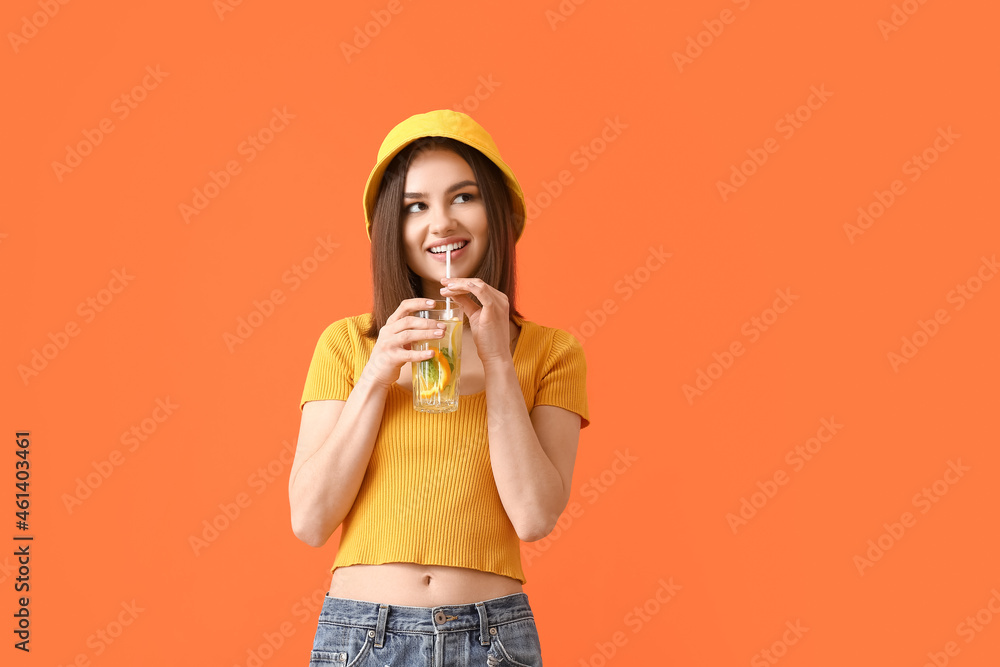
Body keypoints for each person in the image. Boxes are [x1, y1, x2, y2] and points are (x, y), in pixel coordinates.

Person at [289, 109, 591, 666]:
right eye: (415, 206)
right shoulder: (347, 344)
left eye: (464, 197)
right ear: (390, 228)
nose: (441, 222)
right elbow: (309, 521)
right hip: (363, 639)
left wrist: (498, 359)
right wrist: (377, 375)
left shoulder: (551, 352)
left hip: (492, 638)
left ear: (495, 212)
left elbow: (533, 516)